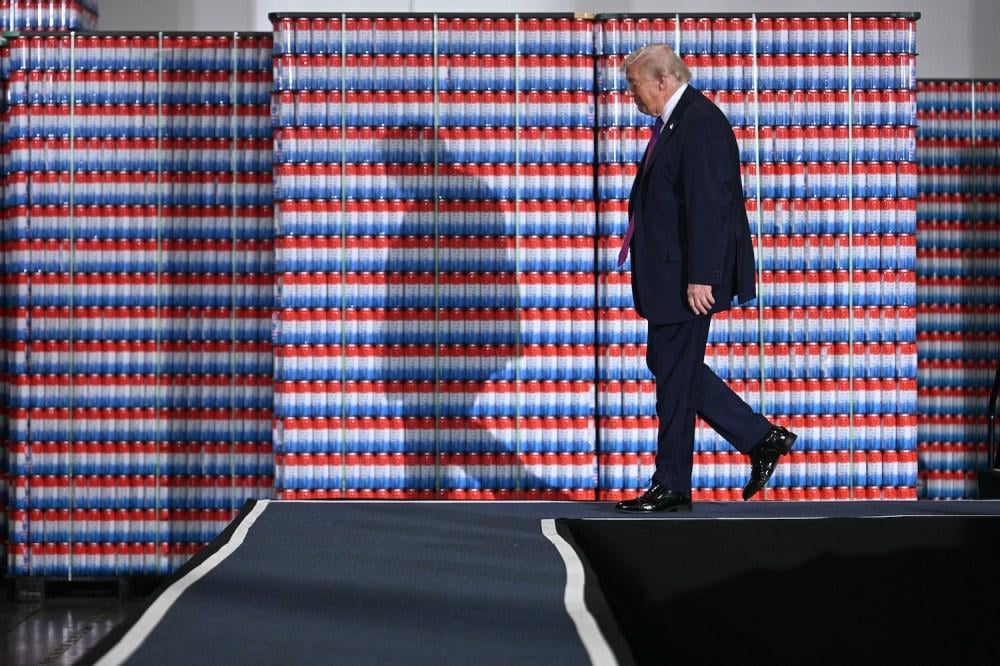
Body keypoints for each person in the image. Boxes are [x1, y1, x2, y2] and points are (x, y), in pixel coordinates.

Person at [614, 44, 797, 512]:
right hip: (670, 274)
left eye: (634, 85)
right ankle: (759, 438)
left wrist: (702, 277)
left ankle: (674, 480)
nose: (631, 95)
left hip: (686, 278)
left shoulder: (699, 123)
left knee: (674, 376)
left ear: (662, 81)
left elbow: (709, 207)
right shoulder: (678, 122)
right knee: (672, 368)